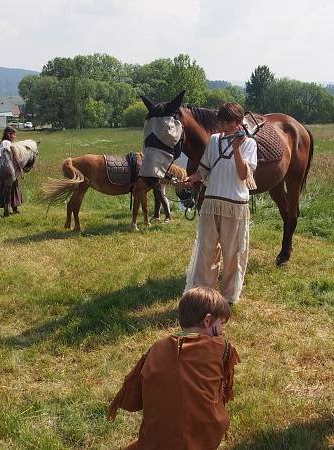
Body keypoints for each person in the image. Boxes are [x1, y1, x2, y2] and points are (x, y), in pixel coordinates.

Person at [108, 287, 240, 450]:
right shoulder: (220, 347)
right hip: (202, 439)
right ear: (207, 320)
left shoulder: (156, 348)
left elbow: (134, 398)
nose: (222, 331)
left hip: (156, 440)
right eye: (221, 324)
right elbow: (223, 392)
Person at [182, 102, 257, 305]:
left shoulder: (250, 144)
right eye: (221, 121)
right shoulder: (214, 140)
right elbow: (204, 170)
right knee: (206, 249)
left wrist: (237, 149)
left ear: (239, 122)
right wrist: (192, 178)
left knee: (233, 252)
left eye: (227, 122)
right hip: (211, 203)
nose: (223, 125)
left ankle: (229, 295)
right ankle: (204, 292)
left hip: (235, 205)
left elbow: (244, 175)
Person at [0, 126, 22, 213]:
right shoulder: (5, 143)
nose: (15, 136)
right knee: (4, 190)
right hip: (6, 172)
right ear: (8, 134)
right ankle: (3, 210)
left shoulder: (8, 142)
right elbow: (6, 157)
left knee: (14, 188)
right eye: (13, 134)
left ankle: (14, 208)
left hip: (12, 171)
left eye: (15, 134)